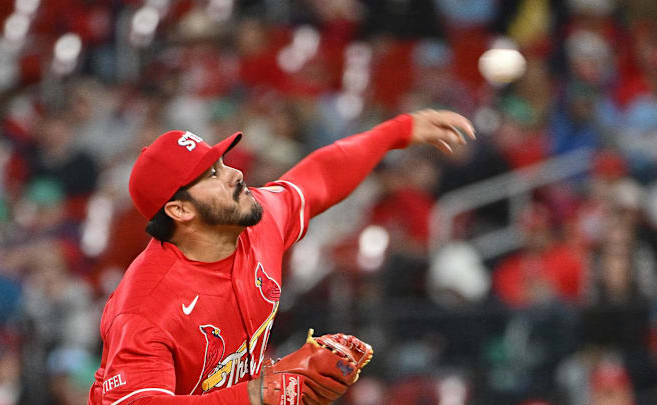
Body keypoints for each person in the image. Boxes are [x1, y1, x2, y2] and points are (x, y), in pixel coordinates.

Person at [89, 109, 475, 405]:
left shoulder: (256, 224)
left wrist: (396, 131)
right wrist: (259, 394)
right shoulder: (144, 309)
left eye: (222, 163)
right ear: (179, 211)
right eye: (211, 175)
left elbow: (319, 177)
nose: (235, 174)